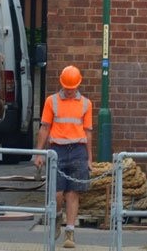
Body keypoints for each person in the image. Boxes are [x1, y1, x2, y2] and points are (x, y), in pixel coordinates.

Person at [34, 65, 93, 249]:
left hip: (78, 150)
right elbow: (44, 127)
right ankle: (58, 215)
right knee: (57, 193)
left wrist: (89, 158)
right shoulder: (52, 102)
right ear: (62, 84)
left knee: (73, 193)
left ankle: (70, 232)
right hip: (57, 149)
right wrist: (39, 153)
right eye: (67, 87)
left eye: (72, 87)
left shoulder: (86, 104)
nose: (69, 90)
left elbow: (88, 132)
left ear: (77, 85)